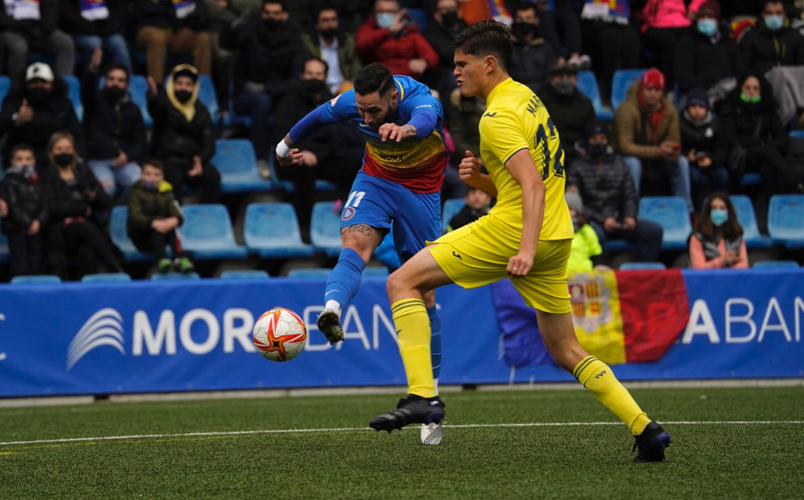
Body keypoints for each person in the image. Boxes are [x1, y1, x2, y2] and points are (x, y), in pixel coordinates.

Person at [368, 21, 670, 462]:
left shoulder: (495, 117)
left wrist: (524, 248)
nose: (455, 72)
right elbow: (532, 183)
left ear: (489, 64)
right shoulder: (527, 97)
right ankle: (646, 429)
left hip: (518, 233)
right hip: (557, 234)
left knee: (401, 283)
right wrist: (484, 182)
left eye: (462, 64)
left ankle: (423, 398)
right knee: (566, 348)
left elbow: (531, 185)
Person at [275, 63, 447, 445]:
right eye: (361, 109)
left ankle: (430, 397)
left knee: (425, 292)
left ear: (391, 96)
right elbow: (318, 116)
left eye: (373, 111)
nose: (365, 117)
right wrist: (284, 146)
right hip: (376, 179)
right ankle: (333, 309)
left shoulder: (417, 98)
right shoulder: (354, 102)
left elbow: (426, 119)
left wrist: (404, 129)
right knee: (354, 245)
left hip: (420, 191)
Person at [272, 58, 363, 229]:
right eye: (310, 74)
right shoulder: (288, 102)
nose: (314, 78)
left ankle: (349, 219)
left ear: (326, 77)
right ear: (301, 75)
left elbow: (338, 137)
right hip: (295, 159)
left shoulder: (333, 102)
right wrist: (303, 152)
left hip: (325, 157)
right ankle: (304, 228)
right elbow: (281, 136)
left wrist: (317, 154)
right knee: (304, 168)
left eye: (318, 74)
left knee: (358, 160)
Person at [220, 0, 306, 177]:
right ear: (261, 13)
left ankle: (289, 162)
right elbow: (226, 43)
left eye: (276, 13)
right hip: (245, 95)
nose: (271, 17)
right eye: (267, 13)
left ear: (284, 15)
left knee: (292, 101)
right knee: (261, 102)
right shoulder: (250, 32)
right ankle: (262, 159)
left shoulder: (293, 39)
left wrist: (266, 88)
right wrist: (232, 27)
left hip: (277, 95)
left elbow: (296, 79)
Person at [568, 121, 664, 264]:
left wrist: (630, 216)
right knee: (596, 235)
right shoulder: (577, 167)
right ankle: (606, 275)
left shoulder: (620, 164)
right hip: (592, 221)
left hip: (618, 219)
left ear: (608, 140)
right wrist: (603, 219)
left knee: (654, 231)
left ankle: (643, 272)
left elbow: (629, 194)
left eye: (602, 139)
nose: (598, 143)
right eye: (594, 139)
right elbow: (575, 204)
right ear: (587, 141)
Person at [43, 131, 123, 280]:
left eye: (67, 149)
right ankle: (116, 268)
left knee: (87, 252)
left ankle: (86, 293)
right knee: (84, 227)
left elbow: (105, 202)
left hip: (87, 231)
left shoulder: (83, 172)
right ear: (51, 152)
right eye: (59, 149)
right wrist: (82, 208)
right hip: (59, 232)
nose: (64, 152)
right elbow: (51, 208)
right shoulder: (47, 176)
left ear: (74, 151)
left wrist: (94, 197)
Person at [613, 68, 693, 213]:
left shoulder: (669, 110)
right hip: (628, 158)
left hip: (658, 159)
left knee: (681, 161)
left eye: (657, 90)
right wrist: (657, 151)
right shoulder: (626, 110)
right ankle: (631, 211)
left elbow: (675, 139)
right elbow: (625, 146)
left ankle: (686, 211)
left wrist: (672, 149)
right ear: (642, 89)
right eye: (649, 89)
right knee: (633, 163)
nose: (653, 94)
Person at [740, 0, 804, 128]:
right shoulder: (751, 36)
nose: (774, 17)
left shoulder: (794, 35)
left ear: (785, 14)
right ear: (762, 15)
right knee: (780, 73)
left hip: (790, 79)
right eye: (769, 13)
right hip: (763, 80)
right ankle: (791, 117)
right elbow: (744, 67)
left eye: (778, 13)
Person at [719, 74, 804, 195]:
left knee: (767, 170)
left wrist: (766, 144)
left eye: (755, 88)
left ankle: (776, 206)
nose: (751, 91)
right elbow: (730, 138)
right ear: (740, 88)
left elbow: (782, 138)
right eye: (747, 87)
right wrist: (759, 143)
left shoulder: (768, 110)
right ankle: (796, 184)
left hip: (764, 156)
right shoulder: (730, 108)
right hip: (740, 157)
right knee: (765, 151)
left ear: (761, 90)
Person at [146, 64, 221, 203]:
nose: (183, 87)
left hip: (191, 161)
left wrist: (200, 159)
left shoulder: (201, 111)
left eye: (188, 84)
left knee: (212, 176)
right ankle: (175, 219)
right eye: (179, 83)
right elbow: (155, 109)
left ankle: (206, 217)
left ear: (194, 87)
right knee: (173, 178)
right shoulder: (164, 104)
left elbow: (209, 142)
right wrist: (153, 96)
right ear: (172, 85)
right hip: (166, 159)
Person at [82, 49, 146, 199]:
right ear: (105, 81)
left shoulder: (133, 109)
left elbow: (140, 142)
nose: (115, 83)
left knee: (139, 184)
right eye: (111, 79)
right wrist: (92, 69)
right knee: (107, 189)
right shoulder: (95, 101)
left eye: (120, 80)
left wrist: (128, 156)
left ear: (127, 85)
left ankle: (123, 216)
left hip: (124, 162)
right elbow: (87, 90)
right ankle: (105, 221)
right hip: (98, 160)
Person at [0, 62, 86, 168]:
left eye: (43, 82)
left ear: (52, 84)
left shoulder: (63, 104)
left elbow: (77, 134)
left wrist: (78, 158)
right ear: (26, 84)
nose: (38, 85)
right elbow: (2, 122)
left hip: (55, 160)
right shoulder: (16, 101)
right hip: (23, 160)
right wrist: (17, 119)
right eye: (34, 82)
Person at [673, 0, 744, 106]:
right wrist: (710, 83)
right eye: (702, 17)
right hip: (699, 93)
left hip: (728, 91)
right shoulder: (687, 43)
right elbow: (684, 79)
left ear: (718, 21)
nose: (705, 20)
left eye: (710, 17)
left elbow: (740, 70)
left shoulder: (728, 42)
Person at [128, 160, 193, 274]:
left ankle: (178, 259)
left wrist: (175, 220)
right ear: (142, 176)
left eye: (156, 174)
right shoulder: (136, 192)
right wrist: (153, 223)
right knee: (158, 230)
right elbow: (135, 216)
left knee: (171, 229)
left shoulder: (166, 192)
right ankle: (162, 260)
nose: (152, 178)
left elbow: (176, 212)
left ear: (162, 177)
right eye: (148, 174)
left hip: (163, 233)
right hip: (141, 235)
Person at [0, 0, 75, 85]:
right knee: (19, 47)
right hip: (11, 29)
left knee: (65, 42)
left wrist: (43, 27)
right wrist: (20, 25)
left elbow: (51, 9)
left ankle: (65, 87)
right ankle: (16, 88)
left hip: (40, 29)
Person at [355, 0, 439, 82]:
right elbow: (361, 44)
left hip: (407, 83)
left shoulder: (409, 31)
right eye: (381, 12)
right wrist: (388, 31)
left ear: (398, 13)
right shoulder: (368, 29)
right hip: (379, 82)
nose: (385, 15)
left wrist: (425, 62)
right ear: (374, 13)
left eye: (390, 12)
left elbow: (432, 55)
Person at [579, 0, 640, 106]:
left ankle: (631, 91)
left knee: (632, 37)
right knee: (612, 38)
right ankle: (611, 93)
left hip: (620, 19)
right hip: (593, 20)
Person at [135, 0, 212, 83]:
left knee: (203, 38)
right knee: (157, 39)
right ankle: (156, 88)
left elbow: (201, 15)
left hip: (179, 30)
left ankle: (204, 87)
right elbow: (142, 12)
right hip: (152, 27)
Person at [1, 144, 48, 277]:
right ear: (12, 161)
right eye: (19, 159)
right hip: (16, 229)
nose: (24, 162)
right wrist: (28, 224)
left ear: (34, 160)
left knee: (34, 263)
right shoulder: (8, 179)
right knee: (19, 264)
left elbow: (45, 203)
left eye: (28, 159)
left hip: (36, 228)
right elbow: (13, 205)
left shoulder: (39, 179)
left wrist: (38, 221)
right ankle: (17, 295)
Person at [680, 88, 729, 210]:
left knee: (723, 175)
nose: (697, 110)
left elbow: (722, 148)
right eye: (693, 106)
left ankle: (721, 208)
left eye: (701, 106)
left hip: (710, 161)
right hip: (690, 164)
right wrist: (686, 156)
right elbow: (675, 144)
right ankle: (695, 211)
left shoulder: (715, 123)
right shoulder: (679, 122)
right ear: (687, 107)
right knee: (693, 177)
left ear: (707, 108)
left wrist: (711, 160)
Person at [639, 0, 705, 92]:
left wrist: (694, 7)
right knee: (671, 45)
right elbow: (645, 11)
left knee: (692, 42)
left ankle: (696, 87)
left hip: (683, 20)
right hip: (657, 23)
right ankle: (669, 89)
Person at [301, 4, 363, 96]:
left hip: (344, 89)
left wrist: (348, 84)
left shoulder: (347, 43)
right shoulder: (308, 44)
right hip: (319, 88)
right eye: (325, 20)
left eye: (333, 20)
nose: (330, 24)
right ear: (317, 24)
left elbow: (358, 71)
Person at [538, 64, 595, 161]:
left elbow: (591, 131)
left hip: (578, 153)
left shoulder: (585, 103)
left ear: (575, 80)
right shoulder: (541, 103)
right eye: (560, 77)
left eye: (569, 77)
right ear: (552, 80)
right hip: (550, 153)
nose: (565, 80)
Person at [59, 0, 131, 73]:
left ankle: (126, 81)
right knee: (94, 44)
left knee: (118, 43)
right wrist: (89, 27)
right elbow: (67, 12)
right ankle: (94, 80)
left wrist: (110, 25)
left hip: (108, 30)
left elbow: (120, 7)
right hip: (81, 31)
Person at [423, 0, 468, 109]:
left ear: (459, 11)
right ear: (436, 14)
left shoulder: (469, 30)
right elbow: (445, 53)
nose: (449, 13)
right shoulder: (429, 34)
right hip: (443, 77)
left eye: (452, 9)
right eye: (444, 10)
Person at [689, 192, 748, 269]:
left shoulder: (736, 235)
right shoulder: (697, 237)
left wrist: (731, 265)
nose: (718, 212)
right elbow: (698, 268)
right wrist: (722, 261)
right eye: (714, 208)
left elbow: (744, 265)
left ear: (728, 212)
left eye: (722, 208)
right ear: (708, 212)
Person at [509, 2, 554, 92]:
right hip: (513, 95)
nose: (524, 22)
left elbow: (549, 76)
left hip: (540, 97)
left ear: (536, 20)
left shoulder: (544, 47)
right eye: (520, 18)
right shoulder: (507, 46)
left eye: (528, 18)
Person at [564, 191, 602, 274]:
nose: (567, 212)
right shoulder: (556, 230)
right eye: (564, 208)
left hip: (585, 277)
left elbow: (596, 252)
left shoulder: (586, 231)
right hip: (563, 276)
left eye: (570, 209)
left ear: (577, 212)